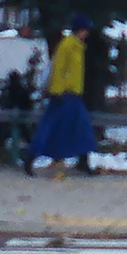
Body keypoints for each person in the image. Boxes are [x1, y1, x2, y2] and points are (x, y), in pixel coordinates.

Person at [21, 14, 97, 176]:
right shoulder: (67, 46)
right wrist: (57, 91)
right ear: (79, 30)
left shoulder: (77, 46)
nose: (87, 33)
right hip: (64, 95)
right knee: (52, 127)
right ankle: (30, 157)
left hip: (73, 94)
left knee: (81, 127)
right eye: (85, 30)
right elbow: (58, 69)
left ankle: (83, 161)